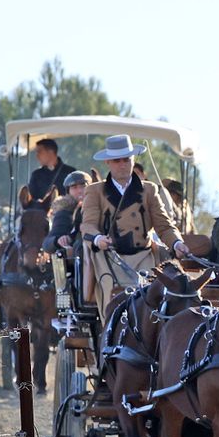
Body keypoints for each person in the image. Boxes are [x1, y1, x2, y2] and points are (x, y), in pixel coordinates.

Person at [77, 134, 180, 315]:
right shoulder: (95, 191)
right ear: (108, 162)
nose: (123, 164)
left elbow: (164, 225)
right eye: (117, 160)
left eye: (127, 159)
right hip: (109, 256)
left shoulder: (149, 189)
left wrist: (177, 243)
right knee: (112, 296)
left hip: (144, 256)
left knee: (152, 298)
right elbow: (88, 225)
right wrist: (98, 238)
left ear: (133, 160)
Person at [20, 139, 74, 211]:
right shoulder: (36, 174)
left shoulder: (70, 172)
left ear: (50, 152)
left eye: (39, 152)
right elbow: (32, 198)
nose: (37, 156)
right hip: (41, 215)